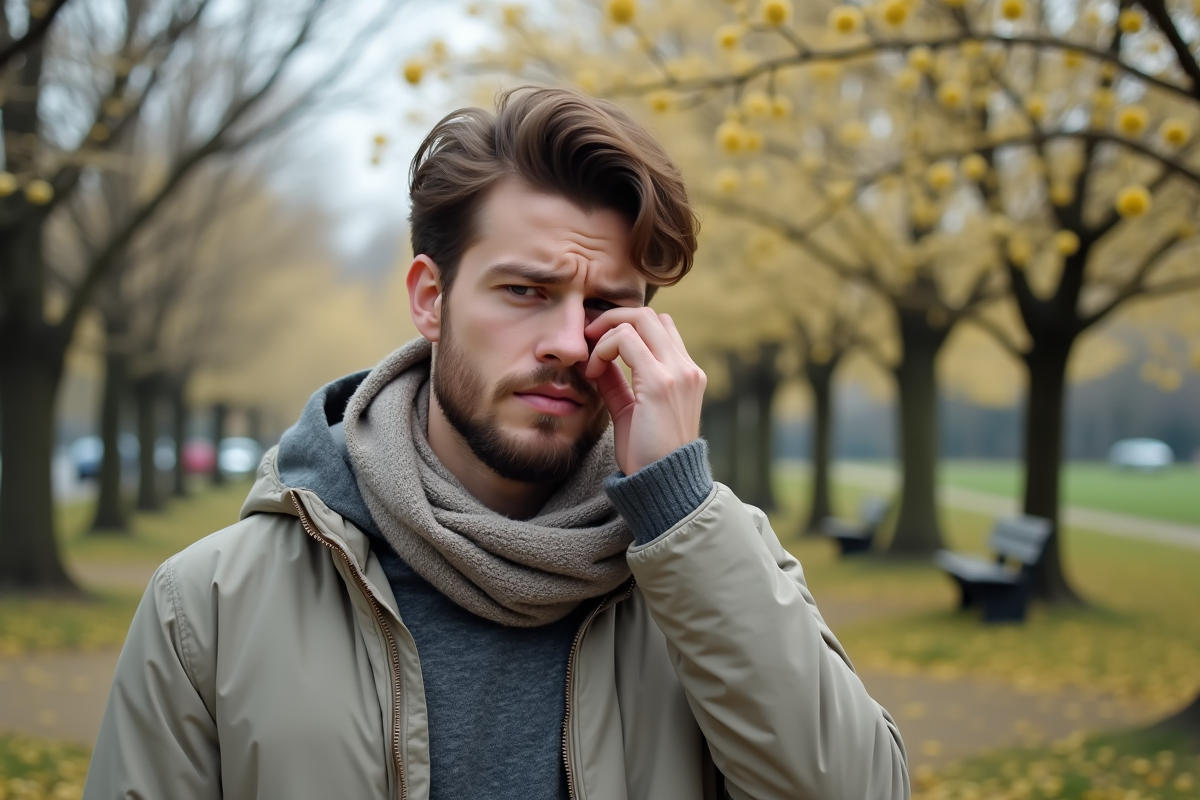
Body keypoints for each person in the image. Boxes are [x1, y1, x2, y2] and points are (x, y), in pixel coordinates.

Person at [83, 86, 908, 800]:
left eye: (603, 306)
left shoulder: (708, 568)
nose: (566, 342)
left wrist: (677, 508)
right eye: (525, 291)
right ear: (430, 298)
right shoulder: (211, 609)